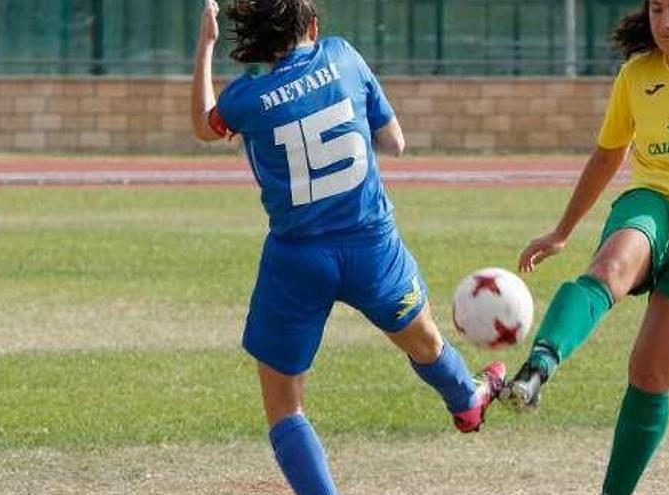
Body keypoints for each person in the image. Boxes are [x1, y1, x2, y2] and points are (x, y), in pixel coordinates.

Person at [190, 1, 505, 493]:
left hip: (297, 258)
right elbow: (394, 141)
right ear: (313, 27)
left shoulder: (246, 99)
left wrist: (206, 46)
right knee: (425, 341)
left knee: (286, 407)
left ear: (258, 40)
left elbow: (203, 126)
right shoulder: (343, 56)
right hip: (371, 246)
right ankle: (467, 402)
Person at [499, 0, 669, 493]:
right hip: (653, 205)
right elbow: (608, 155)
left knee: (650, 375)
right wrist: (562, 231)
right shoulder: (635, 75)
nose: (666, 23)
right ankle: (537, 366)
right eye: (658, 11)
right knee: (608, 270)